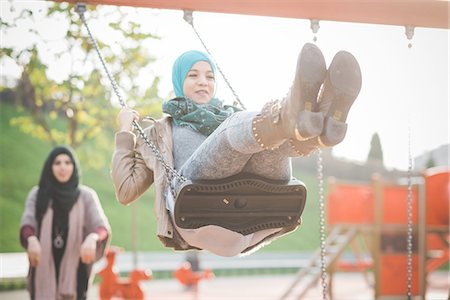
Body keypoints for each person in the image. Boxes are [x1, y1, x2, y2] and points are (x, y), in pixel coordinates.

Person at [111, 43, 361, 257]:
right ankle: (291, 119)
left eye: (210, 77)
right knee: (237, 127)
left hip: (259, 204)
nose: (203, 82)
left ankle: (320, 127)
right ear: (178, 80)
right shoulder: (160, 131)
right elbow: (126, 191)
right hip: (197, 204)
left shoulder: (230, 115)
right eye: (193, 75)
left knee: (268, 140)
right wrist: (125, 133)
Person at [19, 146, 111, 300]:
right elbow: (27, 225)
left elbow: (102, 228)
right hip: (42, 270)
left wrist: (93, 238)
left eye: (68, 162)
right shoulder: (37, 195)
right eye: (57, 163)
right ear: (50, 167)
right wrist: (31, 239)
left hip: (76, 275)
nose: (63, 167)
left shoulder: (86, 196)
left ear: (74, 167)